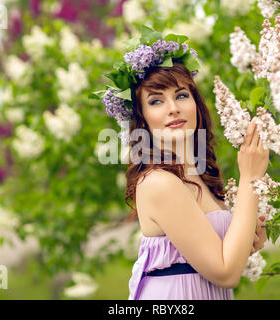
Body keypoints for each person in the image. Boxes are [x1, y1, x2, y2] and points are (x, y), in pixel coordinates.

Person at [94, 29, 269, 300]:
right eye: (156, 101)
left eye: (181, 95)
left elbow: (220, 256)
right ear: (142, 119)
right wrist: (249, 177)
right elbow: (226, 272)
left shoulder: (201, 175)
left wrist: (248, 236)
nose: (173, 108)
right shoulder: (158, 182)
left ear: (196, 104)